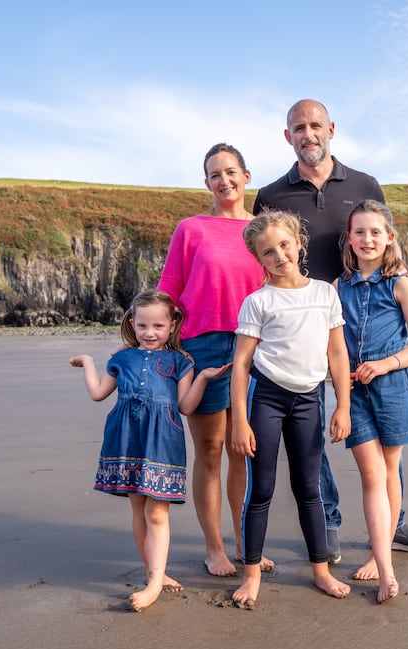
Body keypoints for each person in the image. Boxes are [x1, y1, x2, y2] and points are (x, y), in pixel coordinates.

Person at [253, 98, 408, 564]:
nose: (308, 134)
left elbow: (382, 237)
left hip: (359, 327)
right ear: (288, 136)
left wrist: (401, 285)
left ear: (331, 129)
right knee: (313, 433)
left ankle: (394, 524)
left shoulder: (364, 184)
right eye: (299, 127)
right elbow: (261, 258)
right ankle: (329, 521)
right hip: (300, 330)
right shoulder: (271, 194)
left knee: (384, 443)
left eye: (315, 125)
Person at [69, 289, 230, 611]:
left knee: (157, 512)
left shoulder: (181, 362)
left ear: (172, 325)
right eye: (143, 325)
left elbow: (186, 407)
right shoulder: (121, 358)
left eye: (158, 326)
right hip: (126, 438)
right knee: (139, 509)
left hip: (162, 441)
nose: (150, 333)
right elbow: (98, 393)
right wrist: (87, 362)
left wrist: (203, 378)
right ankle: (154, 573)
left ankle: (154, 584)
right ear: (132, 323)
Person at [157, 143, 272, 577]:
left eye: (231, 172)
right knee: (209, 449)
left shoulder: (261, 231)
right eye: (215, 175)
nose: (224, 181)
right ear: (206, 183)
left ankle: (245, 543)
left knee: (243, 449)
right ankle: (214, 548)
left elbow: (281, 286)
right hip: (201, 346)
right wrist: (144, 344)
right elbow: (168, 290)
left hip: (255, 347)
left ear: (246, 176)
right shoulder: (191, 229)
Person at [229, 211, 352, 606]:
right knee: (261, 489)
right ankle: (251, 574)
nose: (279, 255)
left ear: (298, 243)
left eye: (285, 245)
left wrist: (343, 406)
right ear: (258, 258)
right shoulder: (257, 302)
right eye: (268, 252)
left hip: (309, 400)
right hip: (266, 398)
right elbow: (241, 364)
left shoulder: (325, 294)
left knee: (309, 488)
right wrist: (239, 421)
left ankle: (321, 571)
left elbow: (337, 353)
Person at [336, 200, 408, 602]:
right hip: (354, 392)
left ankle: (382, 558)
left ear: (389, 237)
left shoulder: (400, 284)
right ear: (349, 238)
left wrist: (385, 364)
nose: (367, 239)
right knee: (371, 475)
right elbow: (331, 343)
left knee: (390, 470)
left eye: (375, 232)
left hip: (393, 387)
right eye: (359, 232)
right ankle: (386, 570)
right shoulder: (338, 287)